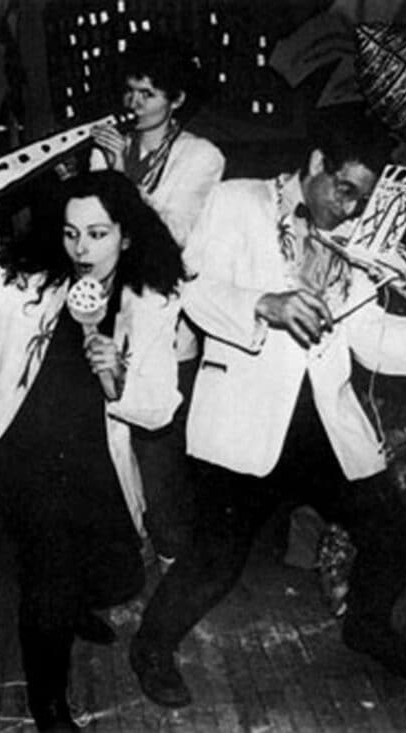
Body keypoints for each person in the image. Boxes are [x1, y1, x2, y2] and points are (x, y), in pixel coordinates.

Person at [128, 108, 406, 707]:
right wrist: (264, 302)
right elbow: (191, 290)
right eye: (344, 190)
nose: (350, 210)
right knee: (216, 561)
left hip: (322, 418)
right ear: (316, 163)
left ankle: (367, 625)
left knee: (390, 531)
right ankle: (152, 646)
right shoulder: (237, 201)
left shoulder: (358, 233)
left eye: (363, 200)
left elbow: (367, 329)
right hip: (244, 418)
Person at [0, 170, 184, 730]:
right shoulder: (27, 282)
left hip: (95, 457)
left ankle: (68, 604)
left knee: (117, 576)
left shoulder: (151, 298)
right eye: (71, 233)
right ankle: (48, 705)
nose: (81, 249)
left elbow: (160, 408)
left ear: (126, 235)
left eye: (97, 234)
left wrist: (119, 380)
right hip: (21, 451)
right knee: (50, 574)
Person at [90, 36, 224, 566]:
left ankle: (174, 557)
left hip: (168, 327)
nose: (134, 104)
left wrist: (121, 176)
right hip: (112, 315)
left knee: (160, 450)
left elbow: (175, 235)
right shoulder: (108, 146)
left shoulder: (202, 156)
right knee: (111, 444)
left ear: (177, 100)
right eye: (129, 91)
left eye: (147, 93)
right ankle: (131, 547)